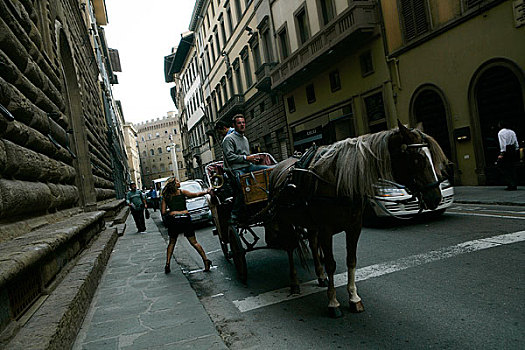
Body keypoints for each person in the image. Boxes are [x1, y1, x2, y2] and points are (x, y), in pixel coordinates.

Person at [222, 114, 270, 221]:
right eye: (239, 123)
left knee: (268, 170)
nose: (242, 125)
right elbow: (230, 157)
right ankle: (234, 213)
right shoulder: (228, 139)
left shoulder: (245, 138)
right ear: (234, 125)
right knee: (243, 188)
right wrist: (247, 158)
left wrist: (252, 159)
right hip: (235, 170)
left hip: (248, 167)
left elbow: (247, 157)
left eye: (243, 122)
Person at [161, 176, 212, 274]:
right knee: (194, 242)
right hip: (185, 218)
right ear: (174, 184)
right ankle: (205, 260)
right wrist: (206, 191)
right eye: (177, 181)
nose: (179, 182)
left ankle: (167, 263)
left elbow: (163, 212)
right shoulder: (182, 192)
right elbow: (195, 194)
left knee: (172, 243)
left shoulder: (166, 196)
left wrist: (171, 210)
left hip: (174, 220)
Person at [496, 121, 519, 191]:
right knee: (512, 167)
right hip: (512, 149)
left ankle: (510, 183)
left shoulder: (501, 133)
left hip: (506, 150)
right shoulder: (512, 132)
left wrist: (501, 153)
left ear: (500, 125)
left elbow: (503, 144)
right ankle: (514, 184)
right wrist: (516, 148)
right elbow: (516, 141)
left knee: (502, 167)